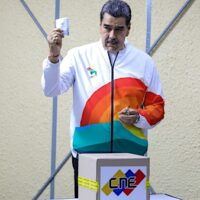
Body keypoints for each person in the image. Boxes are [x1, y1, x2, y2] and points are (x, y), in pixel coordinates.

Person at [42, 0, 165, 198]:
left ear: (128, 30)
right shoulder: (78, 56)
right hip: (87, 155)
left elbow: (157, 108)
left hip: (130, 156)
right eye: (107, 28)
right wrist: (53, 58)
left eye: (119, 29)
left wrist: (139, 116)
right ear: (100, 26)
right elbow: (51, 89)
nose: (112, 36)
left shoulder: (144, 63)